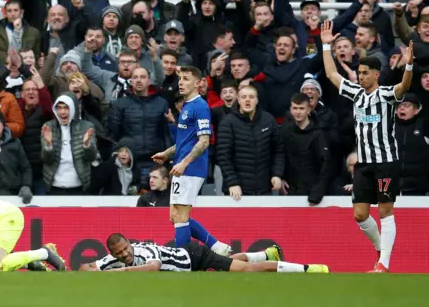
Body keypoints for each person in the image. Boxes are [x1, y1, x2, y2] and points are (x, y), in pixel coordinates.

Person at [320, 19, 413, 273]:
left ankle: (383, 263)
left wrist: (409, 65)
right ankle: (381, 248)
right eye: (359, 73)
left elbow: (404, 86)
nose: (360, 76)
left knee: (385, 211)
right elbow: (331, 75)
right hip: (363, 163)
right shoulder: (356, 93)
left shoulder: (386, 95)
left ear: (376, 74)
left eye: (364, 73)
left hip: (386, 161)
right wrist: (326, 46)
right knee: (360, 215)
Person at [151, 66, 231, 256]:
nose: (181, 82)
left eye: (186, 79)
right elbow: (185, 141)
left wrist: (184, 163)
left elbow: (204, 142)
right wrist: (168, 153)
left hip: (190, 167)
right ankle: (216, 246)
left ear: (198, 83)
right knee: (175, 216)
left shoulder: (200, 106)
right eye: (180, 79)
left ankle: (182, 258)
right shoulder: (187, 106)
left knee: (180, 215)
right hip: (181, 165)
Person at [80, 233, 329, 273]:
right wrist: (97, 270)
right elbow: (84, 268)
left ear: (129, 244)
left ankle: (308, 269)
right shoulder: (111, 258)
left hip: (195, 257)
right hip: (188, 265)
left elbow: (152, 268)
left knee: (245, 271)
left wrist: (118, 272)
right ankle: (268, 253)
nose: (124, 254)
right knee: (228, 263)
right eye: (119, 253)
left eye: (125, 249)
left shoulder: (143, 252)